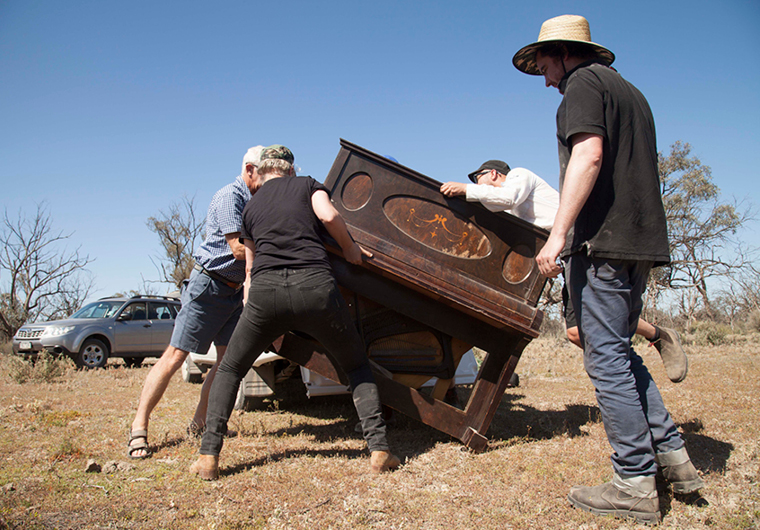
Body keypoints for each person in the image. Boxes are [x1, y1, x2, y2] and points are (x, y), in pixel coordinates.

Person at [513, 15, 702, 523]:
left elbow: (589, 156)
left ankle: (634, 482)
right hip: (638, 242)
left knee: (606, 363)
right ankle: (675, 462)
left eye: (544, 66)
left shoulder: (581, 84)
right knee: (618, 353)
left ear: (562, 53)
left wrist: (558, 235)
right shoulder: (629, 92)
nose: (546, 80)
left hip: (601, 244)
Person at [189, 145, 400, 480]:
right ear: (290, 169)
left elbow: (250, 266)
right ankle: (378, 450)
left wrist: (252, 306)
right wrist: (350, 249)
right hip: (314, 287)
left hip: (265, 295)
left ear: (262, 172)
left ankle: (208, 457)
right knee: (356, 365)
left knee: (229, 370)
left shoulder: (251, 206)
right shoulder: (307, 185)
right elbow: (329, 216)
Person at [441, 160, 688, 383]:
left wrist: (465, 189)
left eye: (478, 179)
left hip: (583, 243)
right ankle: (640, 350)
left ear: (493, 174)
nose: (476, 184)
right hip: (568, 255)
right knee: (576, 332)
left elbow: (508, 198)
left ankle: (641, 354)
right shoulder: (510, 211)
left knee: (599, 320)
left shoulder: (519, 176)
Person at [128, 145, 266, 459]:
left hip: (234, 292)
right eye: (263, 175)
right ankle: (139, 428)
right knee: (175, 356)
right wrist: (277, 247)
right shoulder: (230, 197)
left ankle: (200, 422)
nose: (267, 183)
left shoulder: (255, 201)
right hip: (208, 287)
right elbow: (236, 248)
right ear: (248, 170)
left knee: (228, 363)